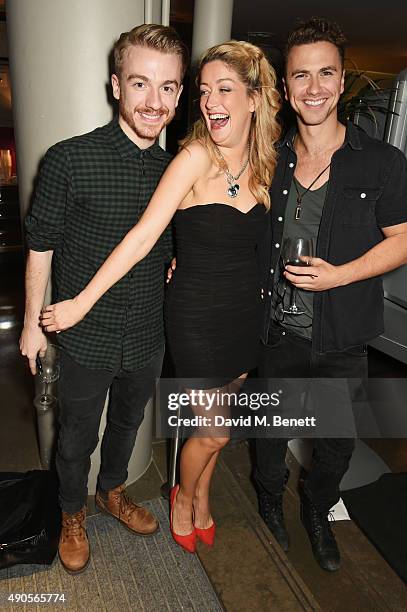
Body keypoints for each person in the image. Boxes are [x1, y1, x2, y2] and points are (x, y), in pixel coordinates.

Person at [40, 40, 281, 553]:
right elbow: (142, 235)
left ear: (255, 98)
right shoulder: (192, 156)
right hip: (186, 321)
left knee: (179, 424)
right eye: (204, 90)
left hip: (235, 318)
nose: (210, 101)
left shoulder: (266, 165)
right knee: (206, 434)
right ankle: (141, 503)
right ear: (117, 87)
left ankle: (182, 499)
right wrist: (78, 303)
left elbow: (242, 243)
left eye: (224, 89)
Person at [19, 23, 188, 574]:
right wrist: (30, 325)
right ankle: (72, 511)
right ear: (116, 85)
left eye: (167, 88)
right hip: (84, 335)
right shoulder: (69, 159)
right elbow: (40, 247)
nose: (153, 101)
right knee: (75, 436)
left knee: (128, 424)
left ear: (180, 93)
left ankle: (111, 492)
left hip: (147, 333)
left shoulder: (179, 171)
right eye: (140, 84)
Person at [254, 17, 407, 572]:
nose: (313, 87)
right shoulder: (269, 158)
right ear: (286, 84)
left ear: (342, 82)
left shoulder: (381, 162)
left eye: (326, 73)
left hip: (342, 336)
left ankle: (317, 508)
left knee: (336, 443)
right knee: (269, 432)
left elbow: (404, 238)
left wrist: (340, 275)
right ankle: (269, 498)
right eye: (301, 75)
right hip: (275, 331)